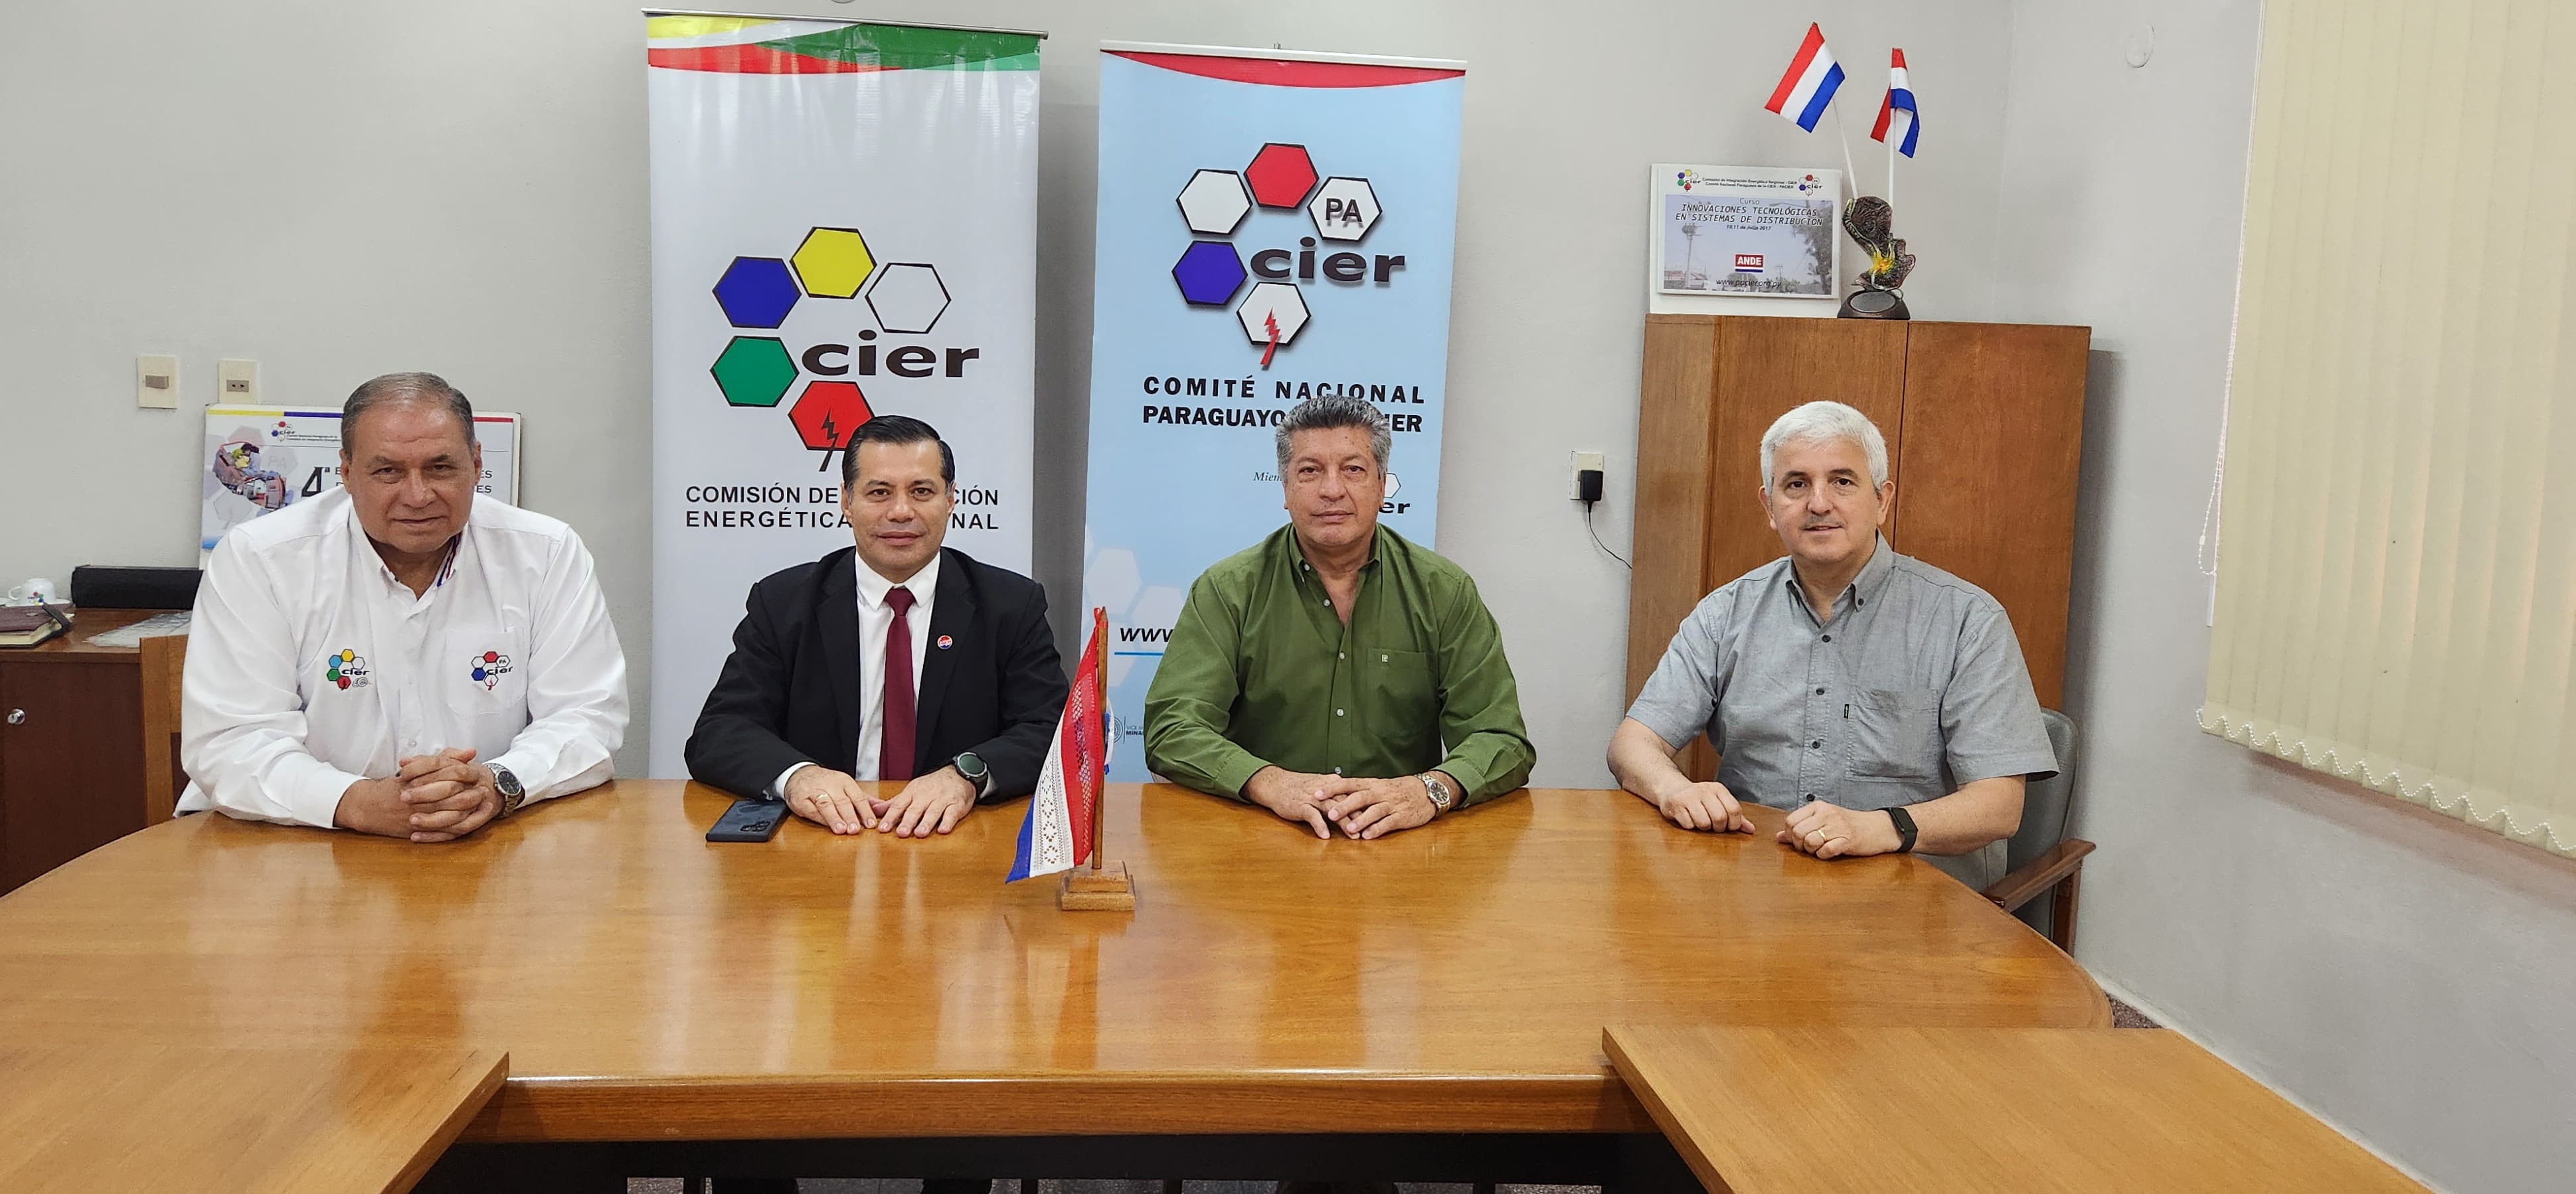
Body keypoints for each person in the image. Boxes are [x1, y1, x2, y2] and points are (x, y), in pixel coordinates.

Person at [1607, 399, 2056, 889]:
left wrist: (1880, 828)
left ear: (1882, 500)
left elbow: (1999, 806)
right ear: (1770, 507)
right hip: (1757, 890)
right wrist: (1673, 789)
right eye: (1796, 484)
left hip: (1914, 897)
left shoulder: (1967, 620)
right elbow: (1632, 744)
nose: (1819, 504)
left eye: (1842, 482)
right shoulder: (1725, 614)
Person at [180, 372, 628, 837]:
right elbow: (232, 743)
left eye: (440, 468)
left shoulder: (546, 553)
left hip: (486, 839)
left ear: (477, 465)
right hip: (295, 840)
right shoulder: (262, 558)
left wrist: (496, 785)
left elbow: (588, 717)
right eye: (388, 472)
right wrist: (356, 802)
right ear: (346, 472)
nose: (418, 496)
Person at [1145, 394, 1534, 839]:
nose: (1332, 490)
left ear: (1382, 485)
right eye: (1310, 471)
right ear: (1285, 489)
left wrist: (1428, 791)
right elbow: (1173, 728)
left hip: (1400, 842)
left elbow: (1501, 738)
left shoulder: (1443, 591)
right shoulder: (1228, 590)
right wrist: (1269, 783)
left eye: (1353, 470)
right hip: (1262, 835)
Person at [684, 415, 1067, 839]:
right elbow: (720, 732)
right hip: (823, 837)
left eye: (921, 492)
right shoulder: (783, 603)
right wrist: (798, 776)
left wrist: (966, 777)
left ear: (951, 500)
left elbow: (1053, 731)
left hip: (955, 836)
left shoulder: (1010, 605)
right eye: (879, 492)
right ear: (847, 502)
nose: (901, 512)